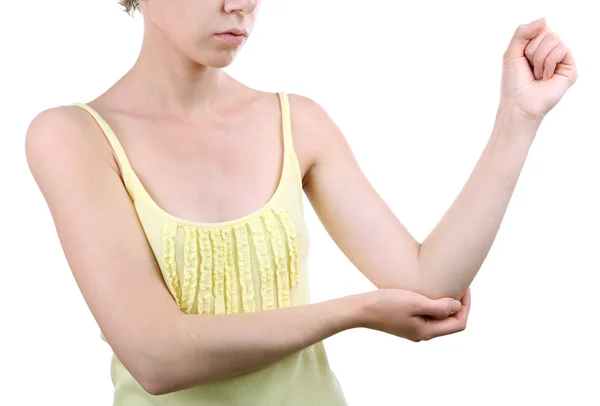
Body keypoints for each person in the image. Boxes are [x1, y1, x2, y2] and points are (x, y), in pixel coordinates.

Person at [24, 1, 578, 405]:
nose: (240, 5)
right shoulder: (72, 137)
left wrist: (518, 119)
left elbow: (428, 287)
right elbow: (157, 357)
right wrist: (353, 311)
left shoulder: (297, 123)